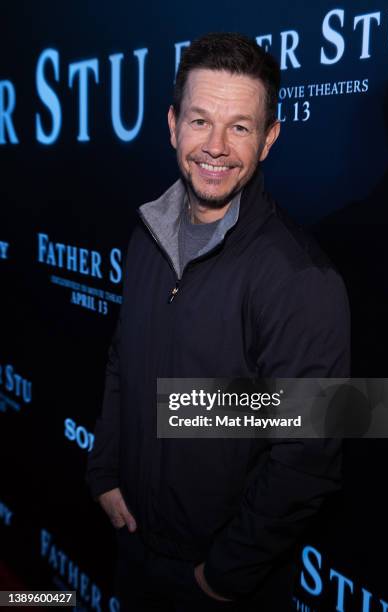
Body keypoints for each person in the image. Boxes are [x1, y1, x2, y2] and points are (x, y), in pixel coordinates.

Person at [86, 32, 350, 611]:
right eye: (201, 121)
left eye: (240, 126)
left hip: (218, 582)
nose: (216, 146)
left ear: (269, 139)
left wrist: (225, 573)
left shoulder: (300, 277)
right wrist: (104, 470)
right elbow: (120, 360)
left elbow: (309, 453)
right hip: (132, 545)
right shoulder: (145, 237)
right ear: (172, 124)